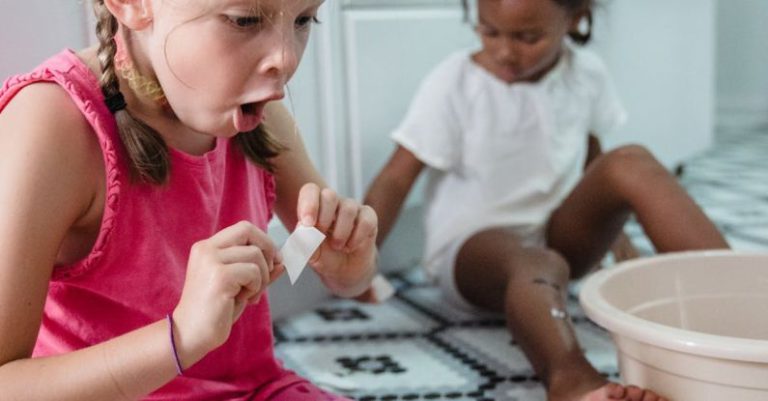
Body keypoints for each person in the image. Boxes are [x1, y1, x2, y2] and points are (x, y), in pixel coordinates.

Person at [0, 0, 378, 400]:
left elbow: (343, 274)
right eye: (244, 20)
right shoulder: (51, 125)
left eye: (304, 20)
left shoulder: (263, 123)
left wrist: (351, 268)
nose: (285, 59)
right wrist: (179, 336)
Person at [365, 0, 729, 400]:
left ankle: (736, 301)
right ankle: (571, 381)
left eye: (528, 37)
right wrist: (362, 261)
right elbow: (396, 177)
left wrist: (616, 235)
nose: (504, 51)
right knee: (539, 261)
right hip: (472, 251)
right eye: (489, 31)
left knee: (631, 161)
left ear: (574, 20)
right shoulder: (455, 82)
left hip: (555, 235)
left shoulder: (586, 72)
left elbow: (595, 160)